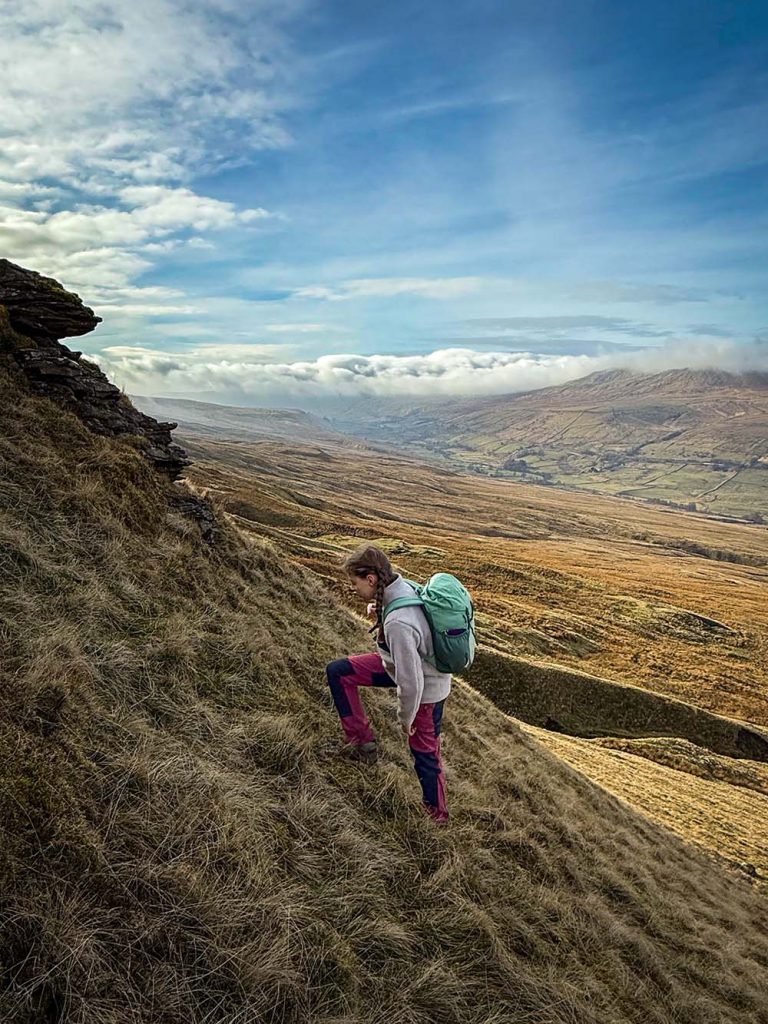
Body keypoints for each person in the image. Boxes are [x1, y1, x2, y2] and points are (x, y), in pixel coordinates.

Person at [325, 543, 451, 823]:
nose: (353, 590)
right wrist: (377, 608)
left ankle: (437, 817)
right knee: (339, 672)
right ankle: (361, 742)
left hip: (426, 691)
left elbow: (412, 683)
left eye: (355, 583)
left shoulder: (398, 623)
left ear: (371, 579)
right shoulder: (398, 587)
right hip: (397, 668)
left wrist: (406, 719)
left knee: (425, 754)